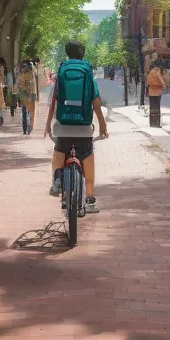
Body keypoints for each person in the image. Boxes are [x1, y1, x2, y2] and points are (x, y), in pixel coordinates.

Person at [45, 40, 108, 213]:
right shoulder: (88, 75)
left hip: (63, 126)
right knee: (87, 156)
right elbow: (96, 105)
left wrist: (48, 126)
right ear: (83, 54)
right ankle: (89, 199)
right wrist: (103, 126)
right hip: (84, 128)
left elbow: (52, 103)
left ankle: (57, 180)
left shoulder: (61, 74)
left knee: (59, 151)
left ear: (67, 54)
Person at [16, 59, 38, 134]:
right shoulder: (33, 72)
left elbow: (19, 85)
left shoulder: (21, 73)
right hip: (32, 93)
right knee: (31, 111)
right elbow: (35, 84)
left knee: (24, 111)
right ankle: (30, 127)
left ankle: (24, 129)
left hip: (24, 94)